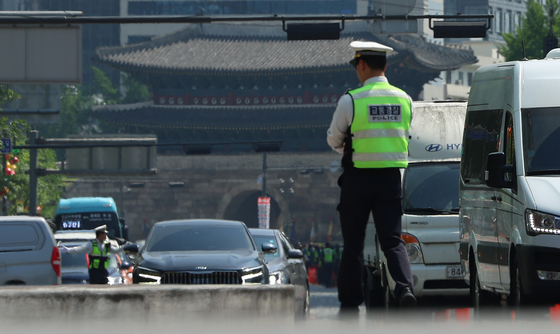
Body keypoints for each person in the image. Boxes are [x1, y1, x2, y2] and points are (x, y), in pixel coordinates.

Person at [327, 41, 416, 312]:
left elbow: (333, 139)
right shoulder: (404, 99)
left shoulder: (351, 100)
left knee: (353, 243)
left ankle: (351, 301)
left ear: (362, 65)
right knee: (392, 238)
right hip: (391, 179)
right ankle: (404, 289)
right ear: (385, 66)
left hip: (358, 179)